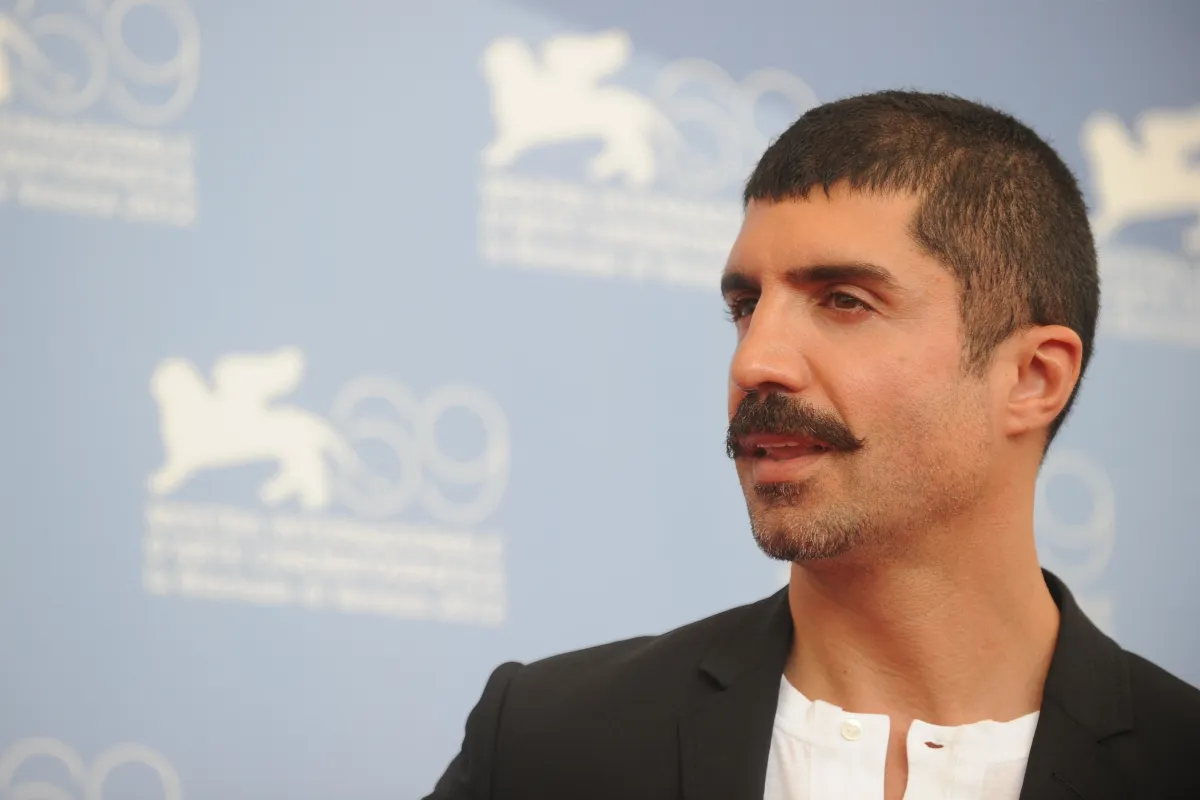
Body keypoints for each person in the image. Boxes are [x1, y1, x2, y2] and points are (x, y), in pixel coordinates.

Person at [423, 90, 1200, 800]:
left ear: (1033, 377)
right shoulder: (547, 744)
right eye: (746, 305)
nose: (754, 361)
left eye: (844, 302)